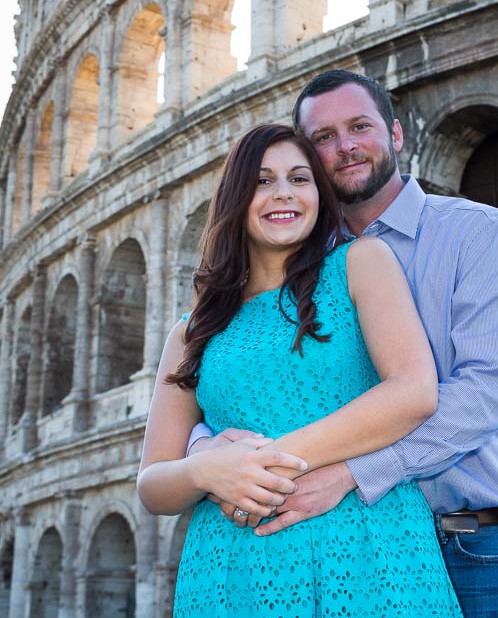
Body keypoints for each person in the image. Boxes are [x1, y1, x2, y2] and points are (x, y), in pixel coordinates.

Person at [189, 71, 498, 618]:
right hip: (347, 543)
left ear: (396, 135)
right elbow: (250, 379)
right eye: (324, 138)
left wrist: (352, 474)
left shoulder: (477, 233)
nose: (346, 147)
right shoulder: (292, 266)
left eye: (359, 127)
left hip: (474, 542)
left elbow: (483, 391)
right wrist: (205, 450)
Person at [138, 123, 463, 617]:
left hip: (368, 549)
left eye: (300, 178)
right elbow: (153, 484)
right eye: (263, 180)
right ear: (234, 198)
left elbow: (414, 392)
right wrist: (205, 468)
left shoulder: (362, 262)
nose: (283, 193)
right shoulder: (192, 330)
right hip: (232, 570)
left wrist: (253, 467)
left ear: (320, 194)